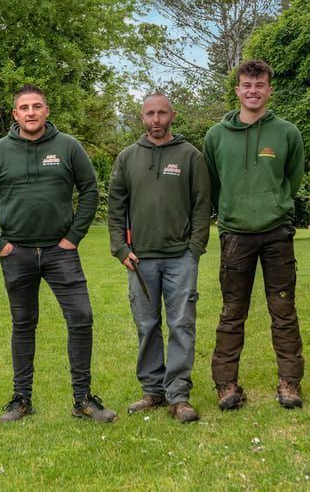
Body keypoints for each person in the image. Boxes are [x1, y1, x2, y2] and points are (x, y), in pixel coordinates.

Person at [0, 84, 117, 423]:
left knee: (81, 318)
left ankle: (83, 400)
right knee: (23, 323)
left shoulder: (67, 146)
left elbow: (90, 190)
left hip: (60, 252)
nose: (31, 112)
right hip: (17, 253)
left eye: (37, 106)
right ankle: (21, 399)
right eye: (24, 107)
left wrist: (73, 237)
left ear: (47, 111)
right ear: (15, 114)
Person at [203, 59, 305, 410]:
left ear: (269, 90)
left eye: (260, 85)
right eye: (247, 85)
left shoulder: (287, 133)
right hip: (235, 235)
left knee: (283, 309)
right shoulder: (216, 136)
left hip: (277, 232)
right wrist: (230, 210)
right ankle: (226, 384)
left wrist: (275, 204)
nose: (253, 91)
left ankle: (290, 382)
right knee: (232, 311)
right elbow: (213, 183)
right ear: (237, 90)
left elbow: (292, 179)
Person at [107, 93, 212, 423]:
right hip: (140, 260)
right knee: (147, 325)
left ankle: (178, 395)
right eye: (150, 113)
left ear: (172, 116)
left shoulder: (190, 155)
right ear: (142, 117)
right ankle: (152, 390)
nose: (156, 119)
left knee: (181, 325)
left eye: (162, 113)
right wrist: (120, 248)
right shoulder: (127, 158)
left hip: (180, 258)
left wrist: (194, 249)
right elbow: (115, 208)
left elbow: (202, 206)